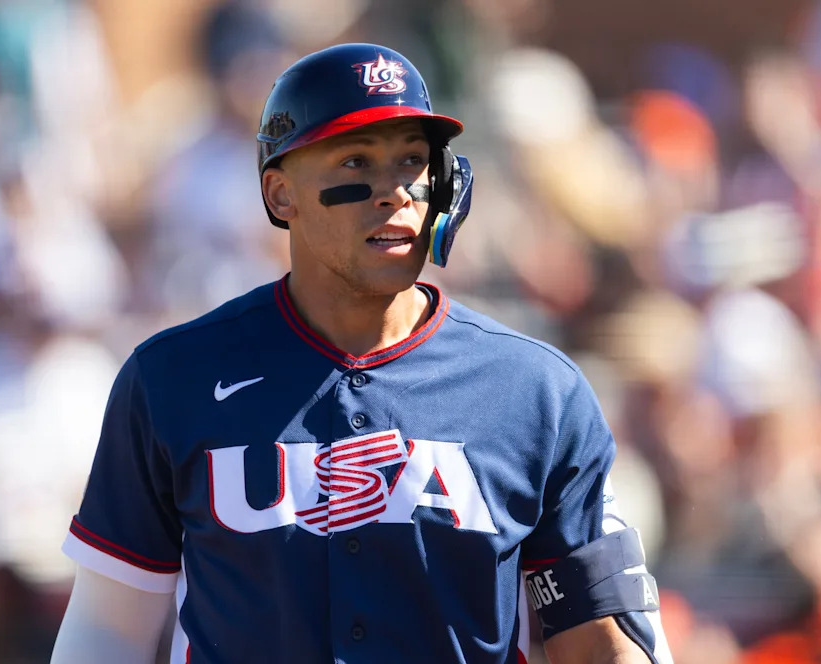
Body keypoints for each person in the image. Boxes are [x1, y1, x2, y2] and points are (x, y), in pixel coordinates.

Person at [50, 43, 672, 664]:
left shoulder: (536, 390)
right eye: (356, 161)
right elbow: (109, 631)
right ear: (281, 194)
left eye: (412, 161)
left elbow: (606, 643)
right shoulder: (173, 378)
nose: (395, 191)